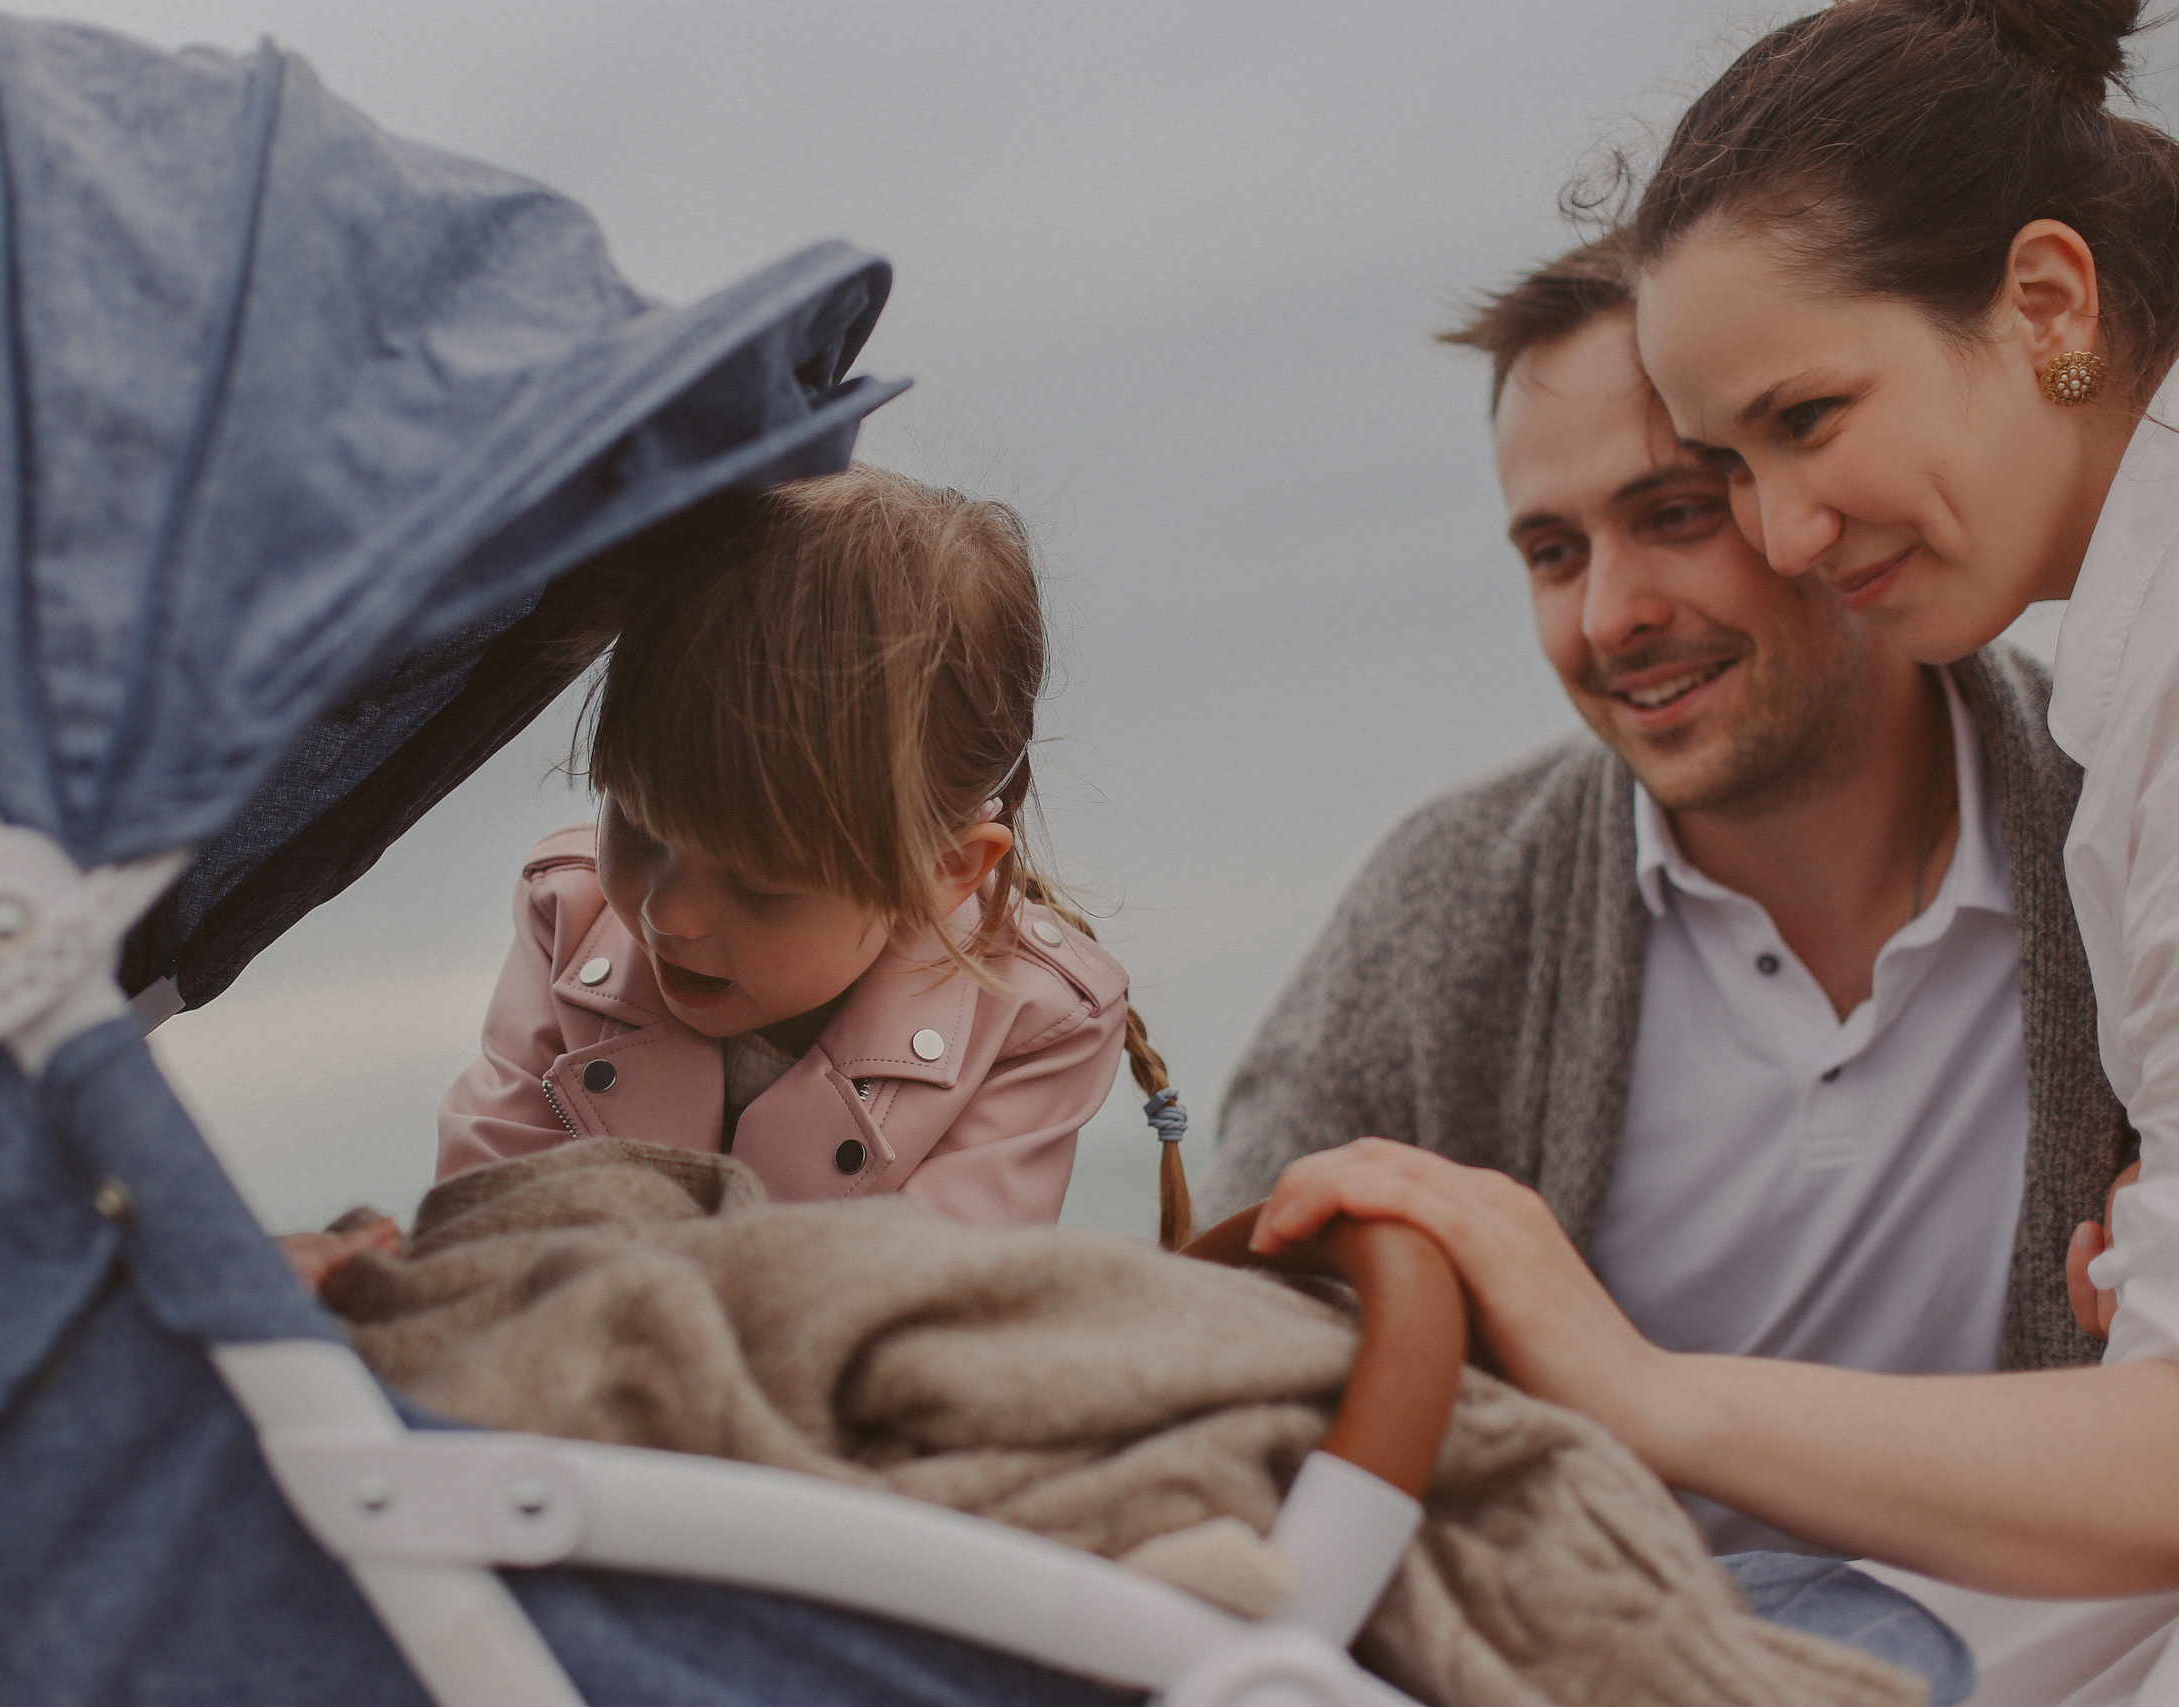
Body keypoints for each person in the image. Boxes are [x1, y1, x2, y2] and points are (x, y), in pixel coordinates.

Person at [1252, 2, 2179, 1701]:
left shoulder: (2114, 765)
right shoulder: (1451, 908)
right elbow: (1234, 1361)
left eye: (1690, 502)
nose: (1619, 613)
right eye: (1550, 548)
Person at [433, 466, 1147, 1224]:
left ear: (943, 870)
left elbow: (929, 1294)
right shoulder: (568, 917)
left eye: (760, 886)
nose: (666, 912)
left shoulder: (1034, 1024)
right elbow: (484, 1221)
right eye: (638, 824)